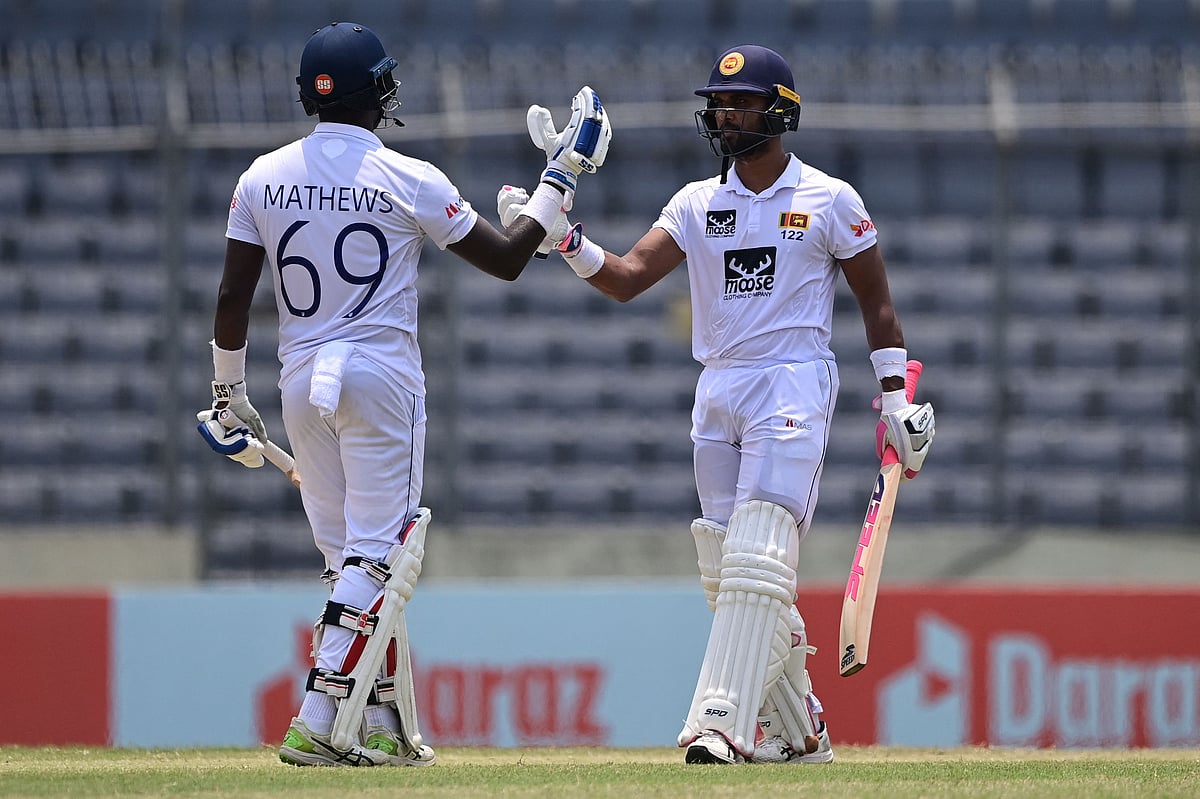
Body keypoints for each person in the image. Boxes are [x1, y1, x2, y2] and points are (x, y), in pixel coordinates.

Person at [502, 44, 934, 764]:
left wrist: (895, 402)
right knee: (724, 567)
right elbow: (628, 276)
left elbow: (878, 306)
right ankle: (802, 733)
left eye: (743, 102)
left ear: (781, 112)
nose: (727, 114)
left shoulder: (829, 198)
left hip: (793, 380)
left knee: (761, 553)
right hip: (719, 387)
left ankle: (719, 722)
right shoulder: (697, 203)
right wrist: (567, 239)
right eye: (721, 104)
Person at [195, 21, 610, 767]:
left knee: (348, 562)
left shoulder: (259, 176)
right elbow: (511, 257)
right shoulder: (408, 175)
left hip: (299, 380)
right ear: (380, 92)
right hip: (380, 376)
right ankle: (319, 715)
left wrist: (228, 392)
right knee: (379, 556)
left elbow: (232, 296)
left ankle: (382, 724)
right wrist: (564, 171)